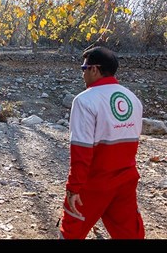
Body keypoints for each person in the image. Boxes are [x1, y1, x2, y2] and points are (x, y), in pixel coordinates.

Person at [59, 47, 145, 239]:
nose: (83, 74)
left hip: (94, 183)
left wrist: (73, 188)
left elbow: (81, 151)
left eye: (84, 68)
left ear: (94, 69)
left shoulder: (85, 101)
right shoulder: (133, 99)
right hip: (126, 181)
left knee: (72, 229)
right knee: (129, 231)